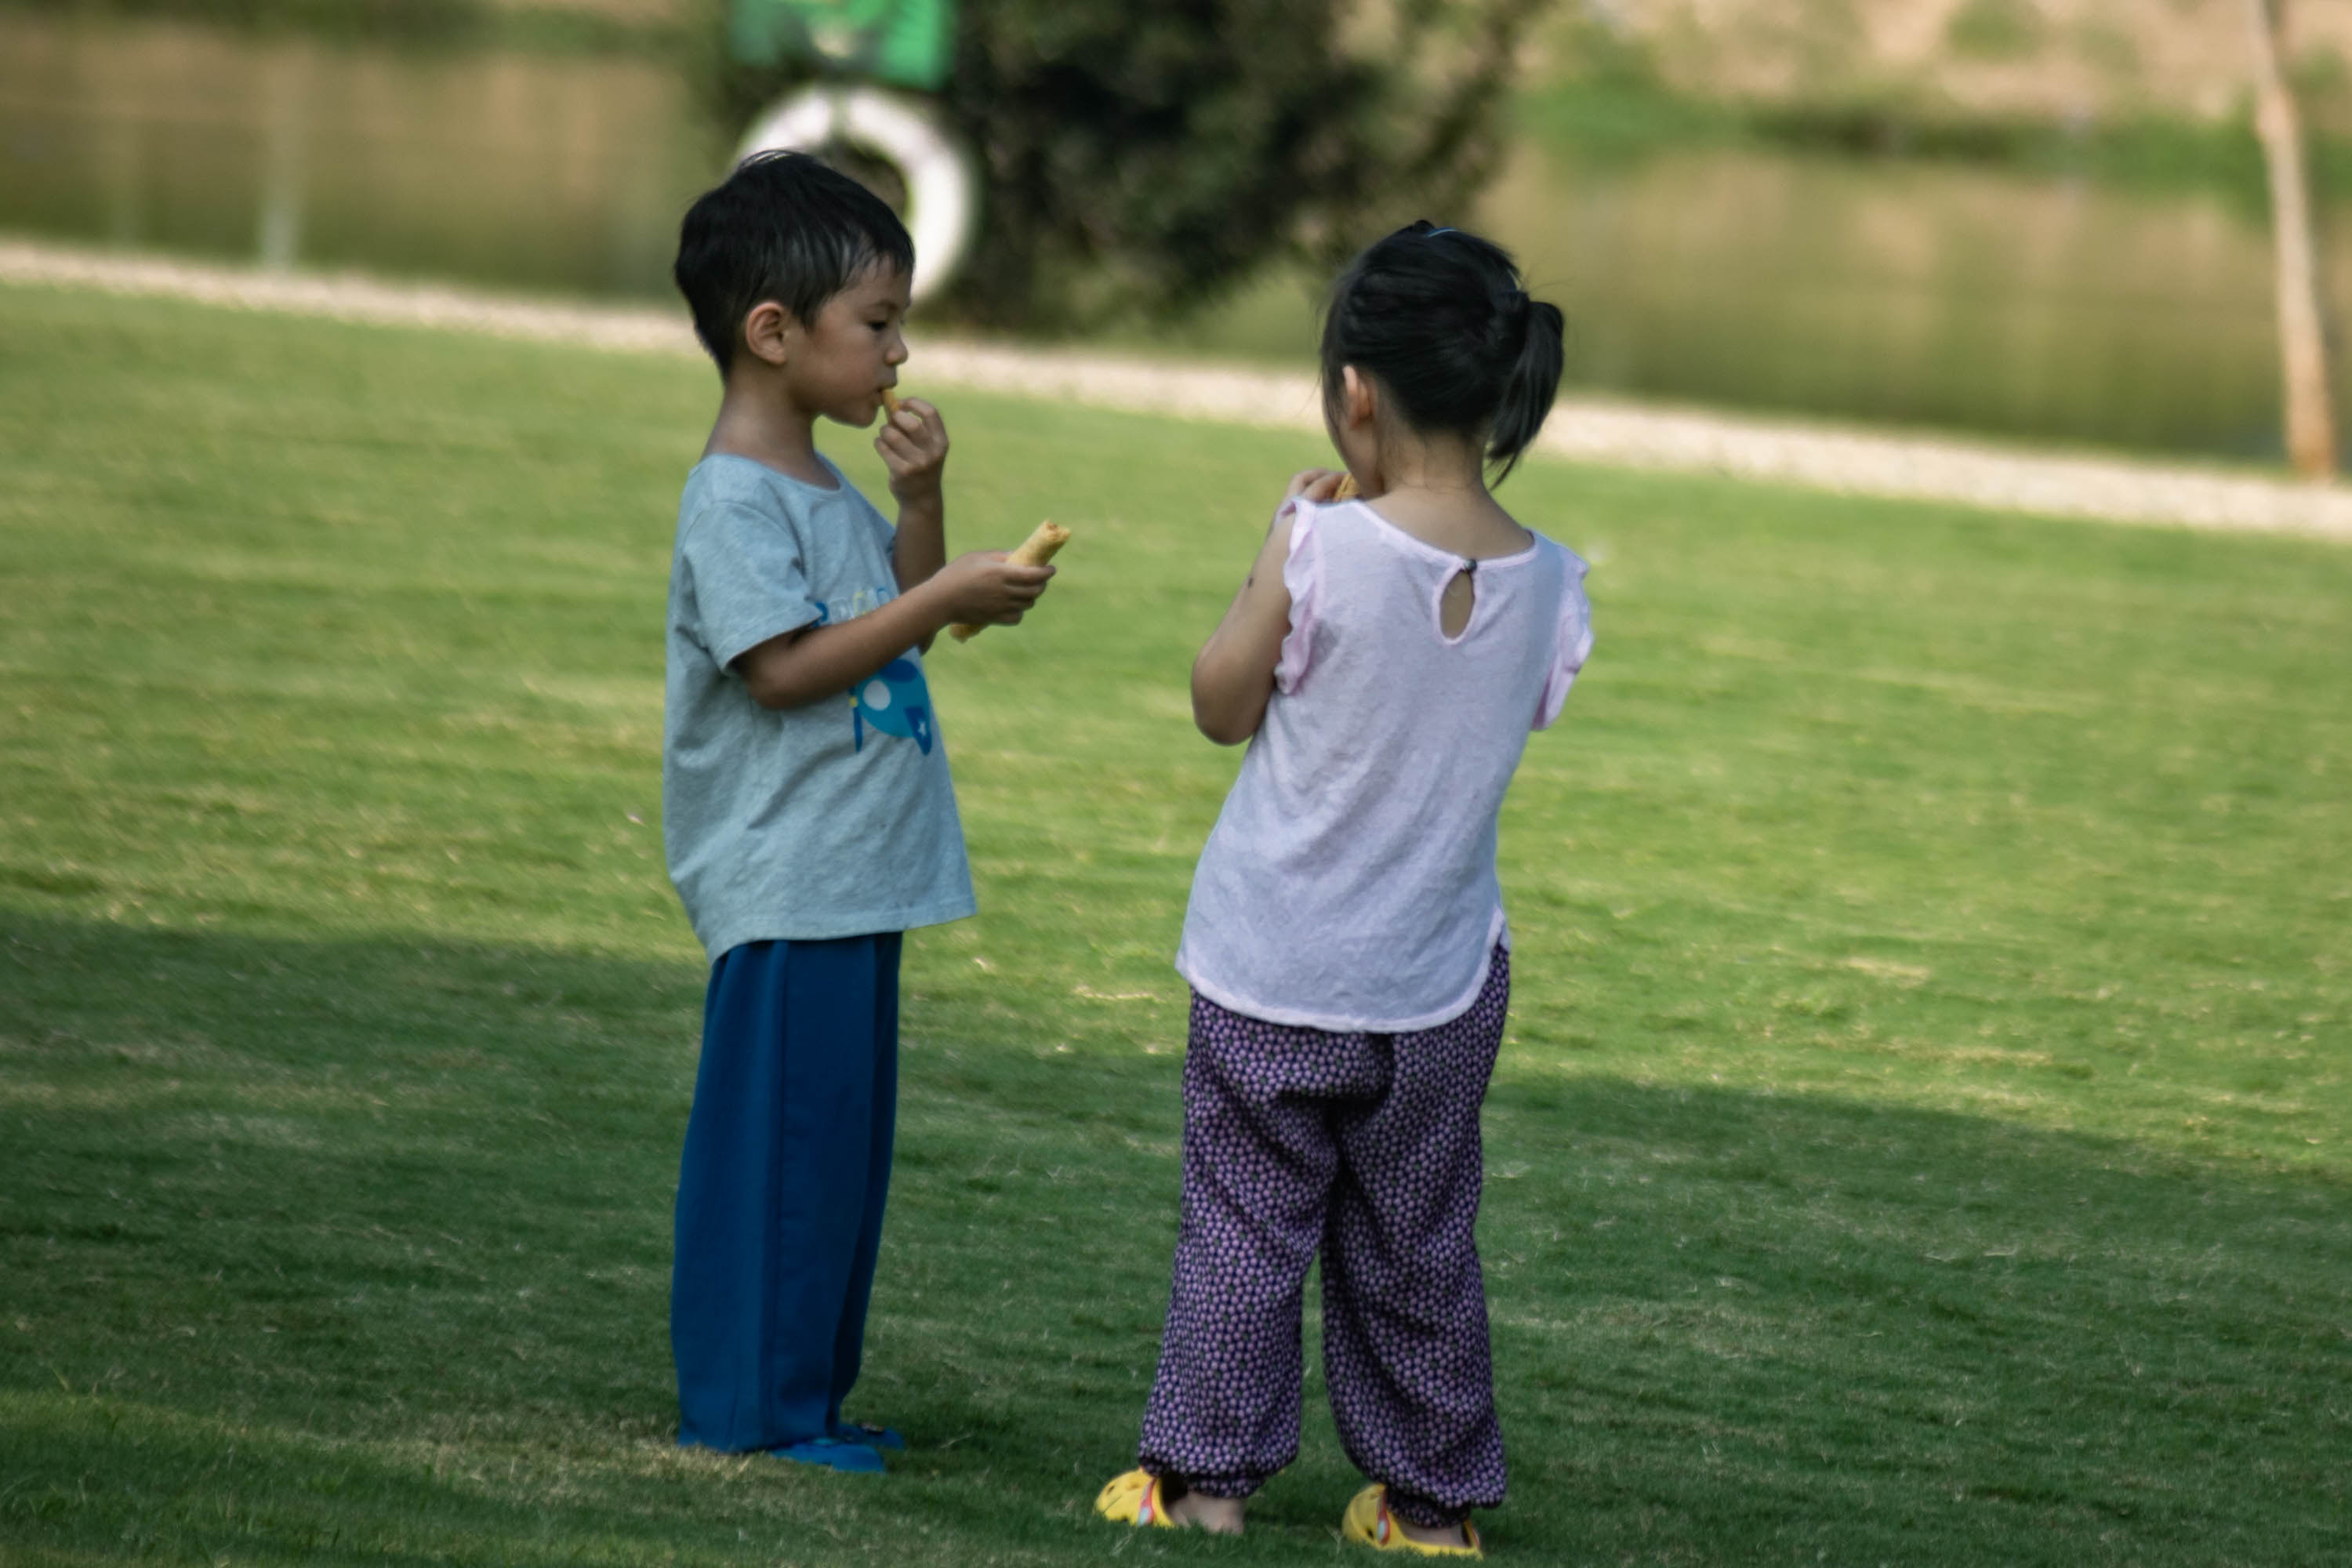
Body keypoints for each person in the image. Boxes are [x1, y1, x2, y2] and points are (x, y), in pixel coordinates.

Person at [1093, 221, 1591, 1555]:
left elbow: (1220, 704)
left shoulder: (1318, 546)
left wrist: (1274, 547)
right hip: (1439, 984)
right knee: (1419, 1242)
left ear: (1356, 394)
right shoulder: (1554, 582)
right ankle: (1430, 1509)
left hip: (1275, 966)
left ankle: (1205, 1487)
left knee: (1245, 1230)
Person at [662, 151, 1054, 1472]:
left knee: (835, 1162)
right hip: (789, 886)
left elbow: (896, 631)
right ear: (773, 333)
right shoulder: (732, 496)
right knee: (780, 1160)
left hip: (853, 878)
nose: (900, 351)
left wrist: (922, 509)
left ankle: (809, 1401)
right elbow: (782, 672)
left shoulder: (822, 486)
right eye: (878, 322)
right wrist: (937, 595)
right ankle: (753, 1417)